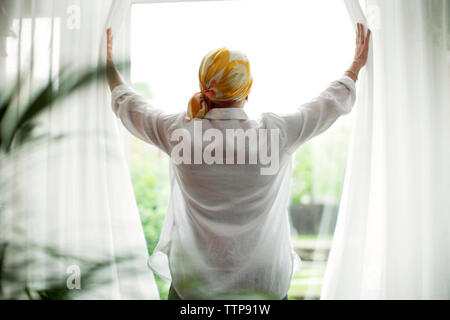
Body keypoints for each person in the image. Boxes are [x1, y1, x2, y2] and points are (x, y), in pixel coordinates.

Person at [106, 23, 370, 300]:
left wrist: (108, 65)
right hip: (264, 287)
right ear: (248, 89)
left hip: (193, 291)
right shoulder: (275, 135)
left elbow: (129, 105)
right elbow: (328, 104)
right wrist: (355, 66)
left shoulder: (179, 133)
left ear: (203, 86)